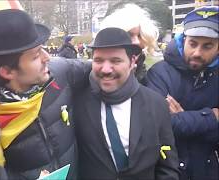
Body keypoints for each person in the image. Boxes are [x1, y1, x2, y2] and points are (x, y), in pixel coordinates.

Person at [0, 9, 91, 179]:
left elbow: (101, 69)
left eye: (43, 49)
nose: (47, 57)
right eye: (35, 56)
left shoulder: (61, 72)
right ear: (7, 72)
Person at [74, 27, 180, 179]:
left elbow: (167, 166)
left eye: (115, 61)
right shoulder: (78, 102)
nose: (105, 69)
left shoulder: (156, 104)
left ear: (132, 62)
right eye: (98, 60)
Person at [146, 6, 219, 180]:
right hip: (169, 170)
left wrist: (183, 119)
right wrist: (212, 117)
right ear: (184, 39)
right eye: (193, 44)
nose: (197, 53)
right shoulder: (159, 73)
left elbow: (175, 124)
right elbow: (159, 125)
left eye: (207, 46)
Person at [100, 3, 160, 84]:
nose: (136, 41)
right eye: (129, 34)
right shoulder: (95, 72)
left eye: (139, 36)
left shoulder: (149, 76)